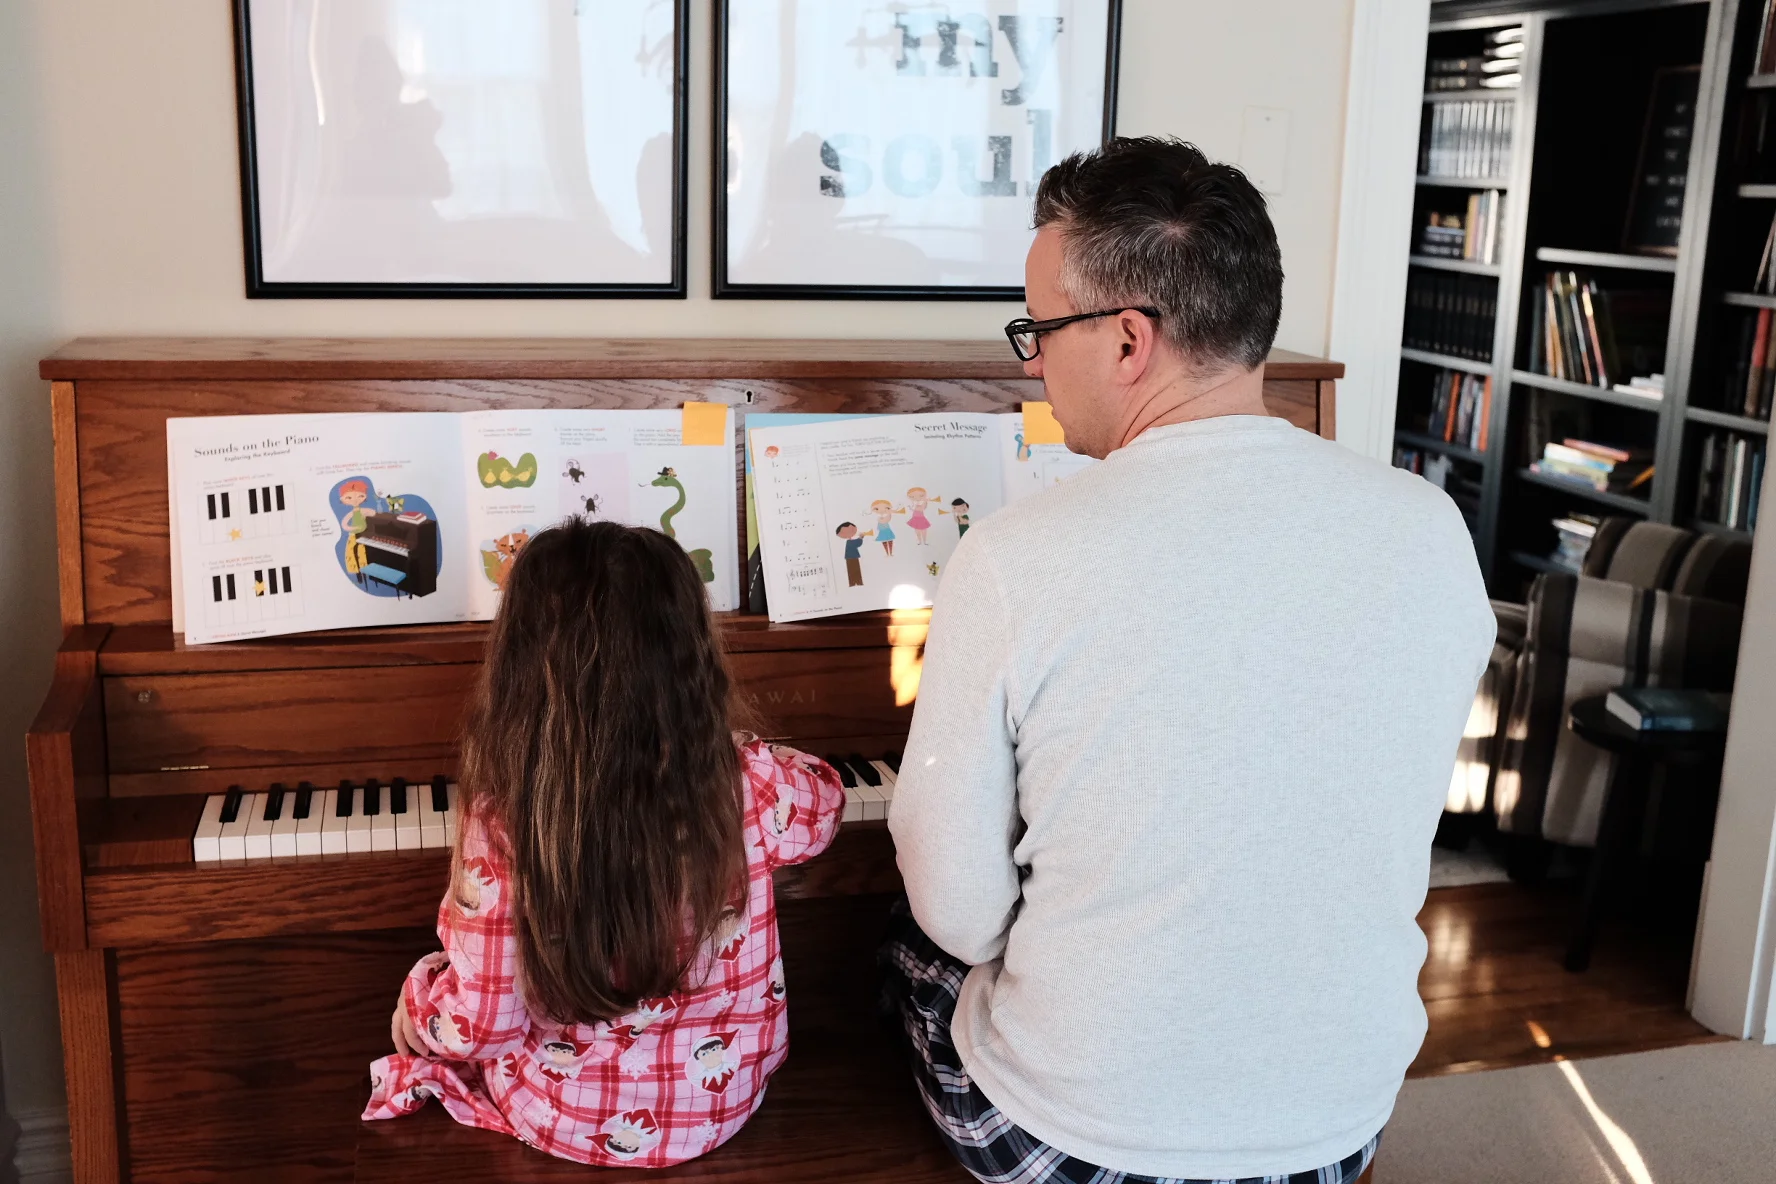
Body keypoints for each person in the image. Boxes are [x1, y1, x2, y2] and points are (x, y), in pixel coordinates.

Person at [885, 137, 1494, 1184]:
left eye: (1038, 331)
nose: (1031, 363)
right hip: (1335, 1127)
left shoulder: (1016, 556)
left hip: (1072, 1141)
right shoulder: (1433, 527)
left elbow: (963, 912)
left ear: (1130, 339)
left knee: (910, 921)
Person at [363, 518, 844, 1167]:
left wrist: (419, 1000)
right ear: (691, 660)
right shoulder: (746, 781)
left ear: (520, 667)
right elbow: (825, 806)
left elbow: (484, 1024)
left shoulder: (503, 821)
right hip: (723, 1099)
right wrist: (733, 750)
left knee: (449, 997)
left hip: (566, 1117)